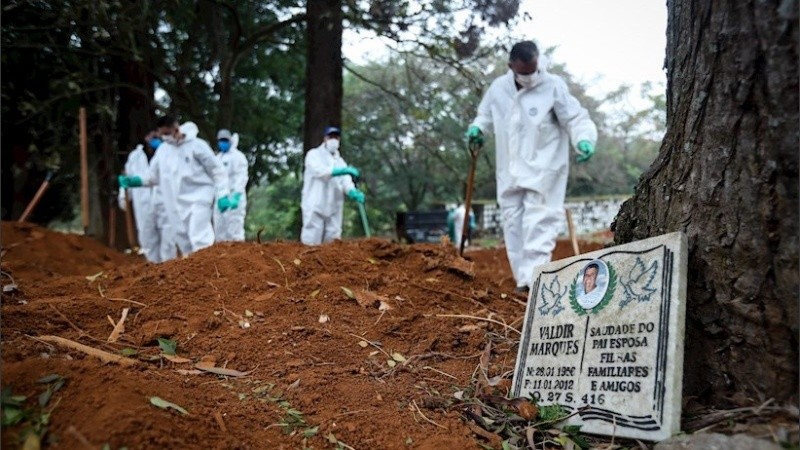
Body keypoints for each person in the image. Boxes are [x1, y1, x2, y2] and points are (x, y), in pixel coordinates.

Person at [466, 41, 598, 293]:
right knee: (513, 224)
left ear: (539, 62)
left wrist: (584, 138)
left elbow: (575, 117)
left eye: (534, 69)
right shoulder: (498, 89)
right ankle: (523, 282)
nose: (530, 76)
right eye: (524, 72)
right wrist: (477, 129)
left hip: (544, 169)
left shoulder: (553, 86)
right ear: (511, 67)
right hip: (509, 170)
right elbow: (484, 115)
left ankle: (535, 282)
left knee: (539, 223)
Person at [118, 115, 232, 259]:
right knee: (184, 244)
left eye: (166, 134)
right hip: (175, 205)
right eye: (162, 135)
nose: (164, 138)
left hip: (199, 200)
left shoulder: (197, 145)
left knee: (200, 238)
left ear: (176, 129)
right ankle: (194, 276)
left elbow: (217, 171)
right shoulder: (163, 151)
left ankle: (209, 272)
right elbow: (153, 177)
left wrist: (223, 193)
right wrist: (135, 181)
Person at [301, 126, 365, 245]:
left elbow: (346, 181)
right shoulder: (313, 155)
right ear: (325, 138)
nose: (333, 140)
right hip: (315, 205)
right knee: (311, 242)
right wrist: (340, 171)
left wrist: (352, 191)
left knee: (333, 243)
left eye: (336, 137)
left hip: (334, 206)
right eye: (331, 137)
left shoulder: (340, 161)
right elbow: (319, 171)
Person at [117, 131, 166, 263]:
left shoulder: (167, 153)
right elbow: (128, 177)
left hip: (164, 201)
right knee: (147, 236)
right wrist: (124, 197)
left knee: (168, 236)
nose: (155, 139)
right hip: (143, 202)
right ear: (146, 137)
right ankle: (153, 266)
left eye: (157, 137)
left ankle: (169, 267)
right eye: (153, 137)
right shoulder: (135, 157)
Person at [213, 129, 249, 242]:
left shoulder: (238, 157)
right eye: (220, 140)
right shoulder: (217, 158)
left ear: (230, 140)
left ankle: (237, 258)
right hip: (220, 200)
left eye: (225, 140)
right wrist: (219, 196)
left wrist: (236, 195)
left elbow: (241, 176)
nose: (222, 143)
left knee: (234, 228)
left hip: (234, 198)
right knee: (219, 229)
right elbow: (216, 178)